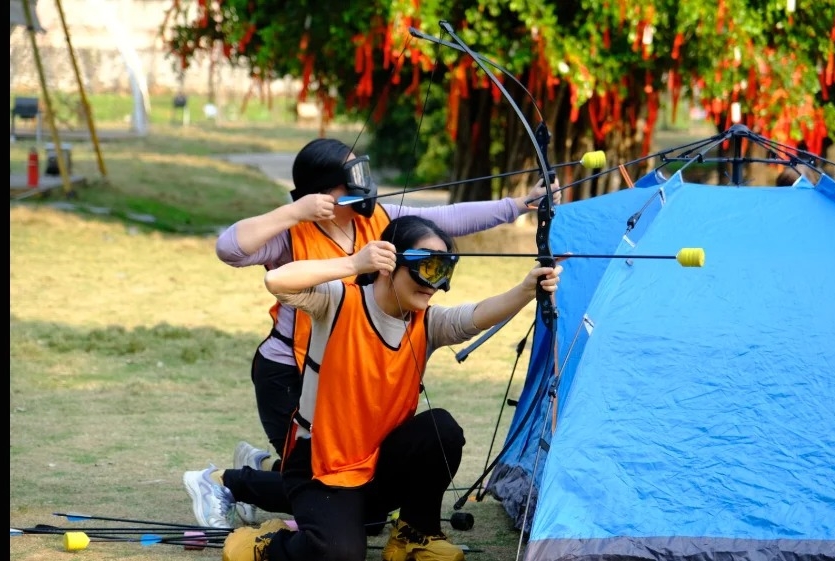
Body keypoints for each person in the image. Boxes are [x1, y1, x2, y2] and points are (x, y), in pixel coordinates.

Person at [215, 137, 561, 523]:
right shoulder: (293, 232)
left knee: (360, 499)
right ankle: (228, 482)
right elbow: (230, 249)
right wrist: (296, 212)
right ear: (327, 190)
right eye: (352, 176)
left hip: (353, 370)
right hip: (291, 372)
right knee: (319, 479)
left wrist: (516, 206)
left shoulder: (378, 219)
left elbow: (447, 221)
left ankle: (262, 473)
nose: (365, 183)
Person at [184, 215, 562, 561]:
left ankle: (416, 534)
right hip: (320, 462)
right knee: (340, 553)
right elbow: (275, 280)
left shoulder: (425, 322)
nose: (436, 285)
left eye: (443, 271)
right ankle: (258, 545)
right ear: (388, 263)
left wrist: (528, 288)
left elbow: (475, 316)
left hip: (377, 461)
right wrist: (353, 264)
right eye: (426, 268)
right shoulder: (337, 300)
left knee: (441, 430)